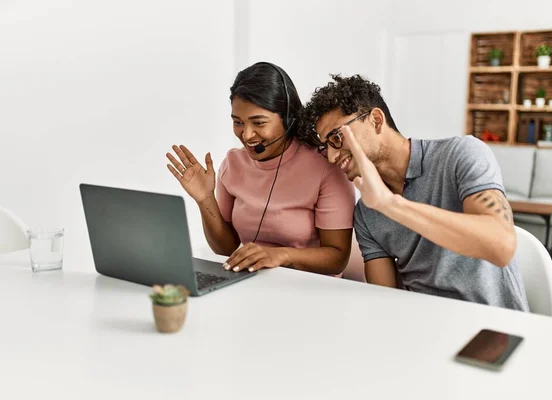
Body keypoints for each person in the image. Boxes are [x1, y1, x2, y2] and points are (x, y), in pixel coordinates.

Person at [300, 74, 529, 311]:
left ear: (376, 121)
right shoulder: (366, 214)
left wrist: (389, 204)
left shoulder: (460, 155)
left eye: (337, 137)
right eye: (324, 146)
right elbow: (385, 301)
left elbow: (501, 246)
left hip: (493, 328)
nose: (331, 156)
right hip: (421, 327)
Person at [166, 62, 355, 275]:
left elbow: (337, 258)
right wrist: (205, 199)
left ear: (287, 119)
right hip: (252, 282)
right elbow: (224, 248)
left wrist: (281, 255)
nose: (246, 135)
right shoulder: (233, 163)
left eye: (259, 123)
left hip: (308, 288)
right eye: (238, 122)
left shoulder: (325, 166)